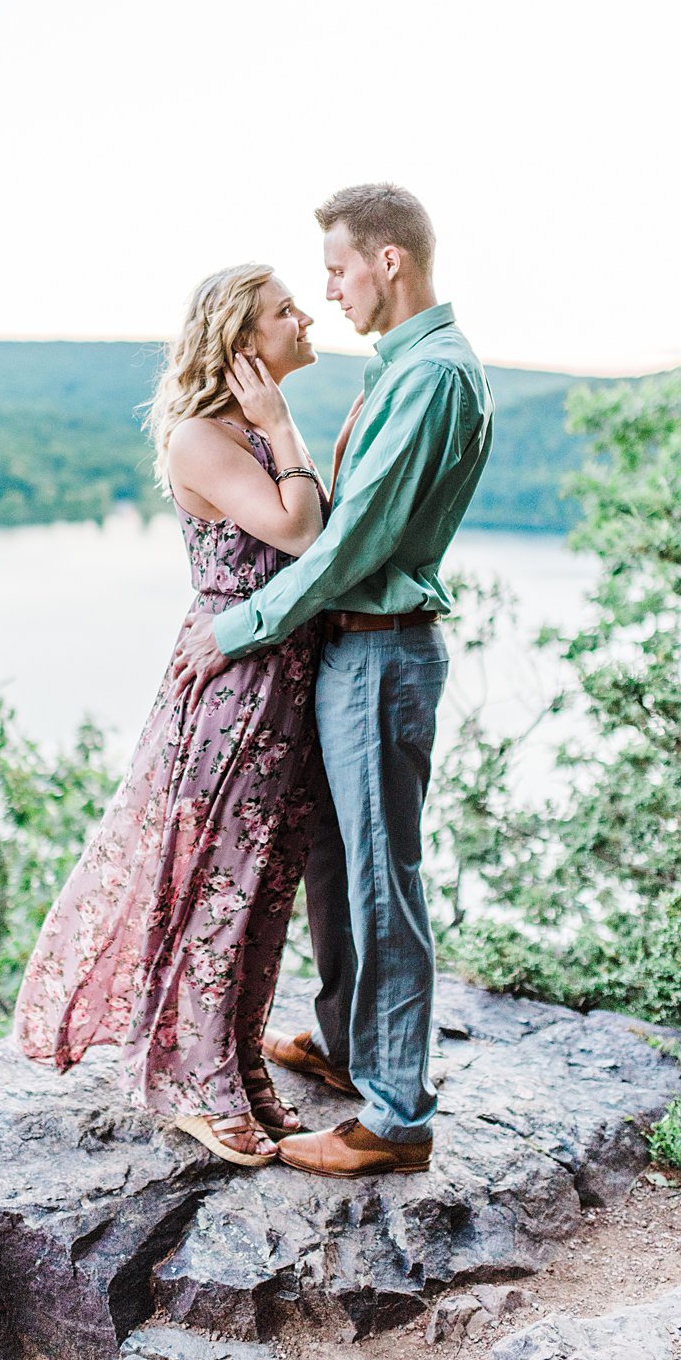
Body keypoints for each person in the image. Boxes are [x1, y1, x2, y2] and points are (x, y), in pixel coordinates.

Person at [172, 184, 495, 1178]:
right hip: (348, 651)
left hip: (382, 648)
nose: (330, 292)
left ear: (388, 261)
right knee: (330, 865)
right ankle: (351, 1045)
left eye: (340, 270)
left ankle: (394, 1116)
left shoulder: (435, 376)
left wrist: (246, 623)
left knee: (379, 878)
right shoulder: (401, 370)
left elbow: (350, 540)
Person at [13, 262, 329, 1168]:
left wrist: (278, 427)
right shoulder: (204, 438)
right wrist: (278, 424)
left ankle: (235, 1062)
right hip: (235, 683)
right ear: (241, 343)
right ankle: (193, 1082)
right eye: (283, 311)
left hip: (285, 675)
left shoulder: (258, 428)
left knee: (265, 885)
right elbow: (301, 532)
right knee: (217, 882)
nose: (303, 317)